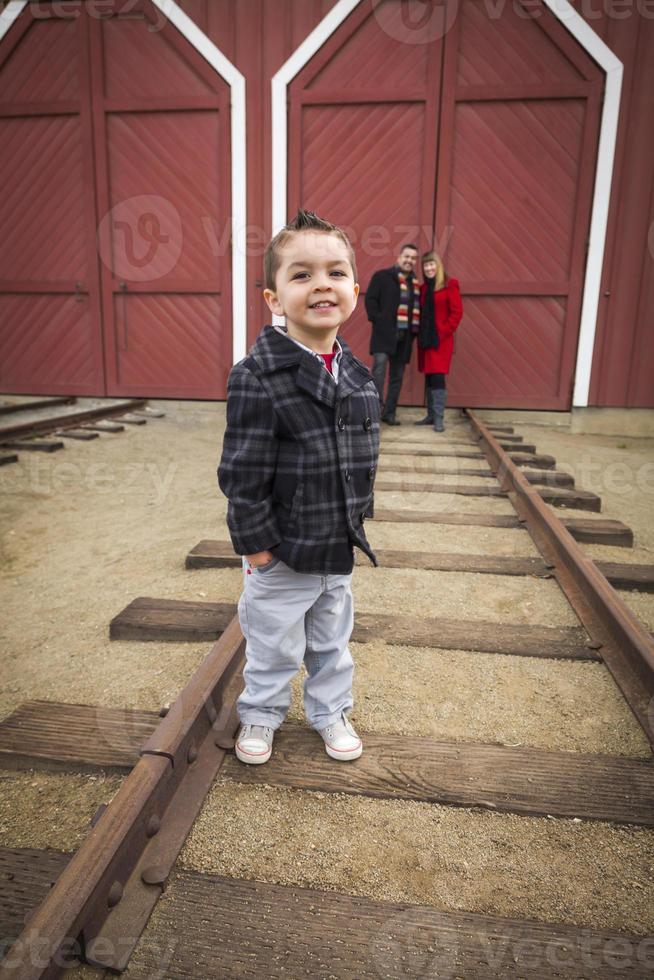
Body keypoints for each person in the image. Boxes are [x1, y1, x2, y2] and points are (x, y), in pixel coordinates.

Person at [218, 209, 380, 766]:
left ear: (355, 290)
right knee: (273, 643)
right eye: (302, 274)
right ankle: (261, 716)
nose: (321, 286)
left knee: (332, 641)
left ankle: (330, 711)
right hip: (283, 550)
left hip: (337, 545)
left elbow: (359, 455)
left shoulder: (356, 373)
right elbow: (242, 471)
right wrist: (256, 546)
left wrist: (358, 516)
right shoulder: (257, 375)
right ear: (273, 298)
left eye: (335, 273)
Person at [364, 243, 420, 425]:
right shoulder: (382, 277)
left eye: (413, 258)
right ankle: (375, 410)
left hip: (404, 337)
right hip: (384, 333)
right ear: (399, 257)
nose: (409, 261)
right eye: (407, 256)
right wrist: (378, 320)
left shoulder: (415, 284)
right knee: (379, 371)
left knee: (397, 376)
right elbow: (371, 299)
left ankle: (390, 413)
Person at [415, 251, 463, 432]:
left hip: (441, 340)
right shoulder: (424, 289)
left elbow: (457, 313)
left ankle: (439, 418)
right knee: (429, 377)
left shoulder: (450, 285)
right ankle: (430, 415)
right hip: (426, 340)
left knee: (437, 377)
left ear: (438, 265)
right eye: (426, 265)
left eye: (431, 264)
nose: (428, 268)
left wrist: (442, 331)